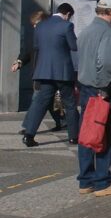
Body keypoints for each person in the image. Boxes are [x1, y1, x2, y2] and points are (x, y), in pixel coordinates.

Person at [76, 0, 111, 196]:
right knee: (107, 136)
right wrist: (104, 88)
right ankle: (102, 182)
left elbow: (87, 56)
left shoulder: (86, 31)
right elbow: (105, 64)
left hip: (86, 88)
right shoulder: (106, 32)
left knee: (88, 134)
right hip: (104, 91)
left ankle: (85, 181)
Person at [14, 8, 76, 145]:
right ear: (67, 14)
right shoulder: (67, 25)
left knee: (40, 103)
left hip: (44, 72)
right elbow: (73, 46)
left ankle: (29, 135)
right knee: (70, 104)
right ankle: (73, 136)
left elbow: (36, 46)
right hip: (63, 72)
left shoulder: (40, 26)